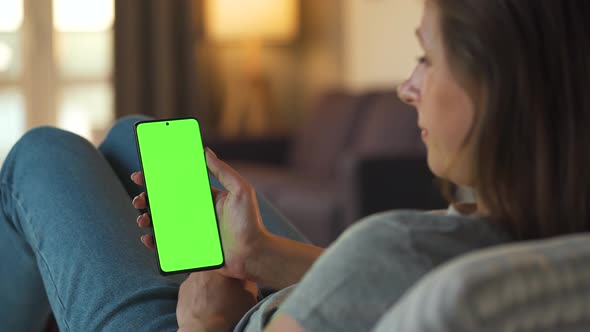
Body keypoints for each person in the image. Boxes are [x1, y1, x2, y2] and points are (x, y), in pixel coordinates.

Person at [1, 0, 589, 331]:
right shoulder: (552, 231)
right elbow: (382, 280)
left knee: (45, 151)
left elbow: (381, 273)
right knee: (135, 135)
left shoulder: (393, 250)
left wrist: (206, 324)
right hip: (289, 299)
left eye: (426, 58)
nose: (407, 88)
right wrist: (261, 253)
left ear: (499, 90)